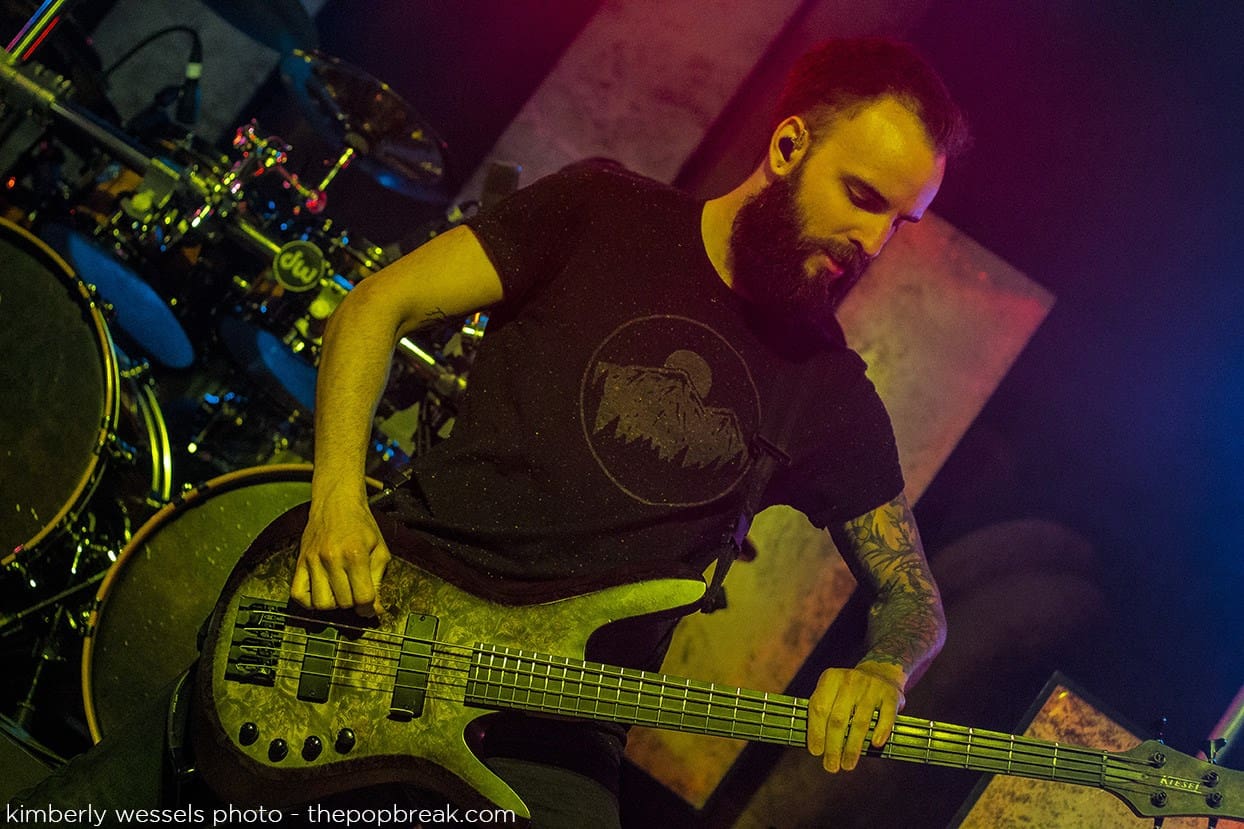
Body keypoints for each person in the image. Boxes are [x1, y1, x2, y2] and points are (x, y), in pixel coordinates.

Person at [12, 36, 967, 828]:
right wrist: (337, 501)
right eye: (864, 197)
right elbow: (374, 307)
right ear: (790, 146)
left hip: (551, 741)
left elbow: (914, 597)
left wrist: (883, 668)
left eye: (902, 223)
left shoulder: (830, 393)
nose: (874, 242)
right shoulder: (602, 211)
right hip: (378, 631)